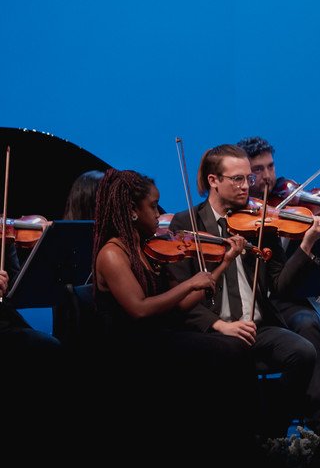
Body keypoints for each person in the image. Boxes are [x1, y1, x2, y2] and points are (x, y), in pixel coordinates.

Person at [167, 144, 320, 433]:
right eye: (238, 179)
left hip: (257, 327)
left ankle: (272, 431)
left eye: (248, 179)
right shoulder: (187, 222)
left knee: (304, 352)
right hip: (214, 330)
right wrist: (219, 325)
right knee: (233, 357)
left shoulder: (260, 222)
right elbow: (181, 292)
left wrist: (306, 246)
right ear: (213, 181)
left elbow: (280, 285)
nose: (247, 186)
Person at [91, 169, 257, 441]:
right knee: (226, 353)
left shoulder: (146, 248)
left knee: (235, 348)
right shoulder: (112, 253)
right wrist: (189, 283)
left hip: (160, 337)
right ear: (132, 211)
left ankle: (245, 438)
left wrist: (222, 264)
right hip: (131, 348)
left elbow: (180, 305)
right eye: (153, 206)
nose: (159, 214)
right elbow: (140, 309)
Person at [238, 135, 320, 432]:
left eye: (271, 166)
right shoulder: (239, 216)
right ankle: (275, 425)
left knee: (309, 323)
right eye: (258, 169)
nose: (268, 176)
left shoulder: (290, 210)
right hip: (252, 303)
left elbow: (300, 276)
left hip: (286, 300)